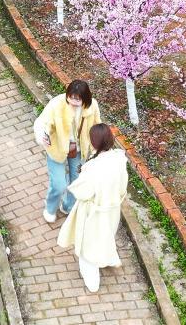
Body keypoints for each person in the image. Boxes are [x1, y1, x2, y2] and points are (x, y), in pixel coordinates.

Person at [56, 123, 129, 294]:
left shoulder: (94, 168)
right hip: (111, 209)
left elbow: (82, 191)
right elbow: (122, 187)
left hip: (93, 212)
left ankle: (93, 283)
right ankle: (110, 258)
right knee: (107, 236)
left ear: (94, 143)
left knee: (87, 247)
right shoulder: (119, 160)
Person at [32, 80, 102, 224]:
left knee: (77, 182)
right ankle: (50, 209)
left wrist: (97, 148)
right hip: (57, 148)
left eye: (78, 99)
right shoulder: (57, 104)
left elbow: (96, 126)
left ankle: (68, 206)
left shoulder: (92, 106)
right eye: (71, 98)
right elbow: (43, 123)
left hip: (79, 150)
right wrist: (42, 135)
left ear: (85, 98)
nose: (74, 102)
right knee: (59, 184)